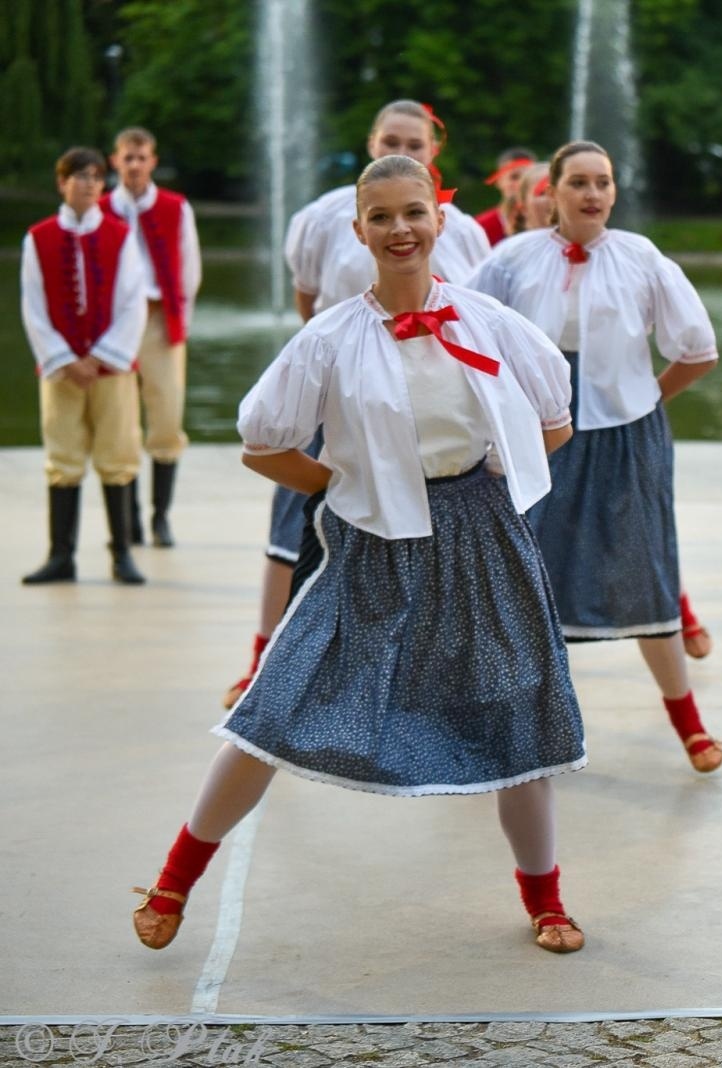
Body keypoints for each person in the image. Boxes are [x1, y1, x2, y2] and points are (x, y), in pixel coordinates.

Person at [131, 154, 589, 956]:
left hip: (482, 539)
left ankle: (545, 900)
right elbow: (261, 439)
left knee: (518, 720)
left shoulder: (487, 320)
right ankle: (174, 880)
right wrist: (342, 481)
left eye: (414, 212)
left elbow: (555, 414)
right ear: (360, 231)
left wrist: (500, 471)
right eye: (381, 218)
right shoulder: (332, 336)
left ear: (440, 221)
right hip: (373, 545)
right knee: (273, 706)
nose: (400, 229)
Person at [223, 99, 491, 710]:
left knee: (427, 539)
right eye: (390, 138)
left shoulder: (463, 229)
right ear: (371, 141)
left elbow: (477, 322)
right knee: (292, 534)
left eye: (416, 143)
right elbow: (307, 299)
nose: (402, 148)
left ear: (434, 152)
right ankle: (263, 661)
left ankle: (422, 675)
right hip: (340, 399)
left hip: (426, 411)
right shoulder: (323, 218)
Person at [467, 140, 722, 773]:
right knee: (525, 577)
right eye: (577, 182)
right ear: (550, 192)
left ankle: (688, 723)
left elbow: (699, 348)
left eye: (602, 182)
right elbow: (461, 329)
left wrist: (645, 398)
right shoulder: (512, 259)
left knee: (645, 569)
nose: (591, 194)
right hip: (540, 437)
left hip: (626, 438)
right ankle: (515, 726)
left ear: (614, 191)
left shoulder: (641, 257)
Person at [21, 147, 150, 586]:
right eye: (79, 176)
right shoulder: (38, 237)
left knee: (118, 457)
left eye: (96, 176)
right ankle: (61, 557)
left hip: (110, 370)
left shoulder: (120, 234)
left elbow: (133, 303)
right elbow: (33, 306)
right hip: (61, 371)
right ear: (62, 183)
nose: (90, 183)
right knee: (63, 459)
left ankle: (122, 555)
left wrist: (101, 356)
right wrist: (63, 358)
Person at [101, 126, 202, 548]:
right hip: (114, 325)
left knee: (165, 417)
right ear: (115, 161)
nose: (135, 165)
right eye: (128, 157)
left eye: (143, 157)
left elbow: (189, 270)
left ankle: (160, 516)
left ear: (153, 162)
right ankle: (129, 522)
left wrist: (181, 323)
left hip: (160, 322)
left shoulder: (175, 208)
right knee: (119, 422)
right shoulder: (102, 209)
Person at [477, 147, 537, 247]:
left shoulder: (546, 225)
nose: (521, 184)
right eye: (514, 177)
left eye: (527, 177)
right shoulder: (481, 227)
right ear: (499, 182)